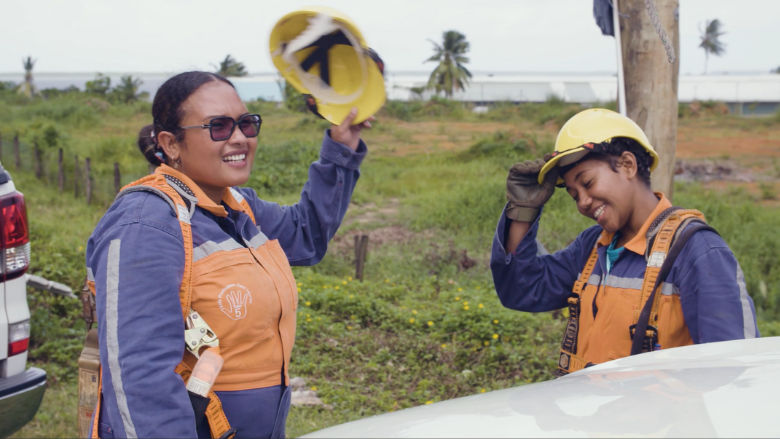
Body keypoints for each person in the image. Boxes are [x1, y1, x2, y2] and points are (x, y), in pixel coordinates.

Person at [85, 71, 372, 438]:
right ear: (171, 143)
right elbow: (139, 378)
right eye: (218, 127)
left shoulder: (238, 207)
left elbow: (307, 234)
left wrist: (342, 145)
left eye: (247, 124)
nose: (239, 138)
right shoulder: (146, 225)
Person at [490, 108, 758, 375]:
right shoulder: (593, 247)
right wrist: (523, 211)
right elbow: (523, 289)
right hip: (589, 414)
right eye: (574, 195)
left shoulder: (696, 252)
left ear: (628, 165)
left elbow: (733, 371)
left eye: (588, 182)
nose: (583, 202)